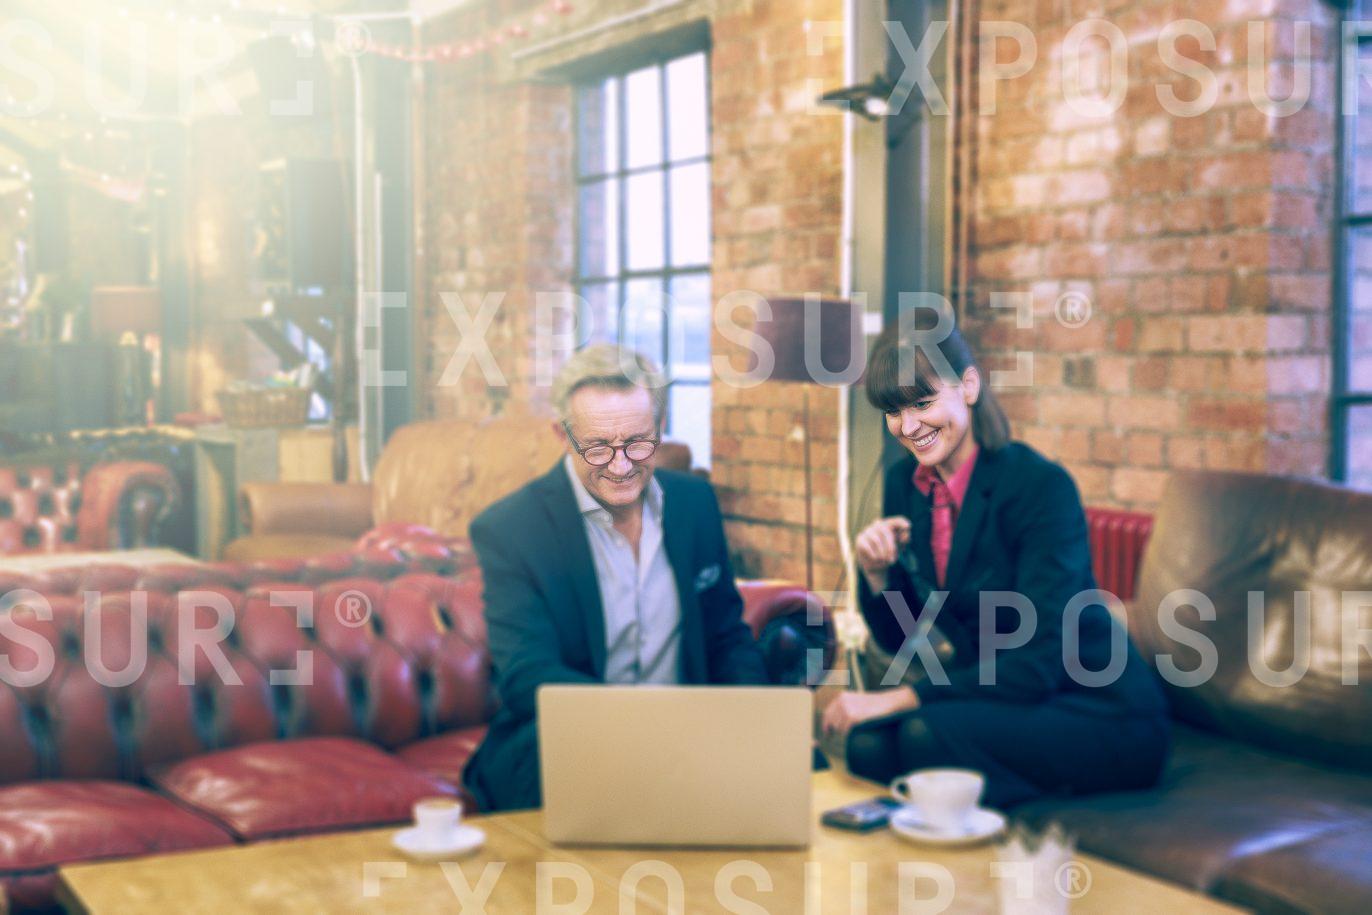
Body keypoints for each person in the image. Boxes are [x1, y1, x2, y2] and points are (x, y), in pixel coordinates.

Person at [820, 315, 1170, 810]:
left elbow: (1038, 661)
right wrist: (879, 576)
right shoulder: (907, 484)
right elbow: (906, 642)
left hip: (1094, 707)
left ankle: (1022, 827)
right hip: (1000, 698)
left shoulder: (1040, 488)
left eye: (923, 403)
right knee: (868, 746)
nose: (909, 426)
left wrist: (900, 698)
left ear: (968, 386)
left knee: (925, 735)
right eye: (894, 411)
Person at [462, 345, 769, 812]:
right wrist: (640, 734)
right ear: (562, 436)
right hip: (573, 740)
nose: (621, 466)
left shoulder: (695, 504)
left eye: (638, 443)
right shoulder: (511, 529)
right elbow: (528, 675)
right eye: (599, 448)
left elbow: (726, 636)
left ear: (660, 430)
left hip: (689, 736)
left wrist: (760, 724)